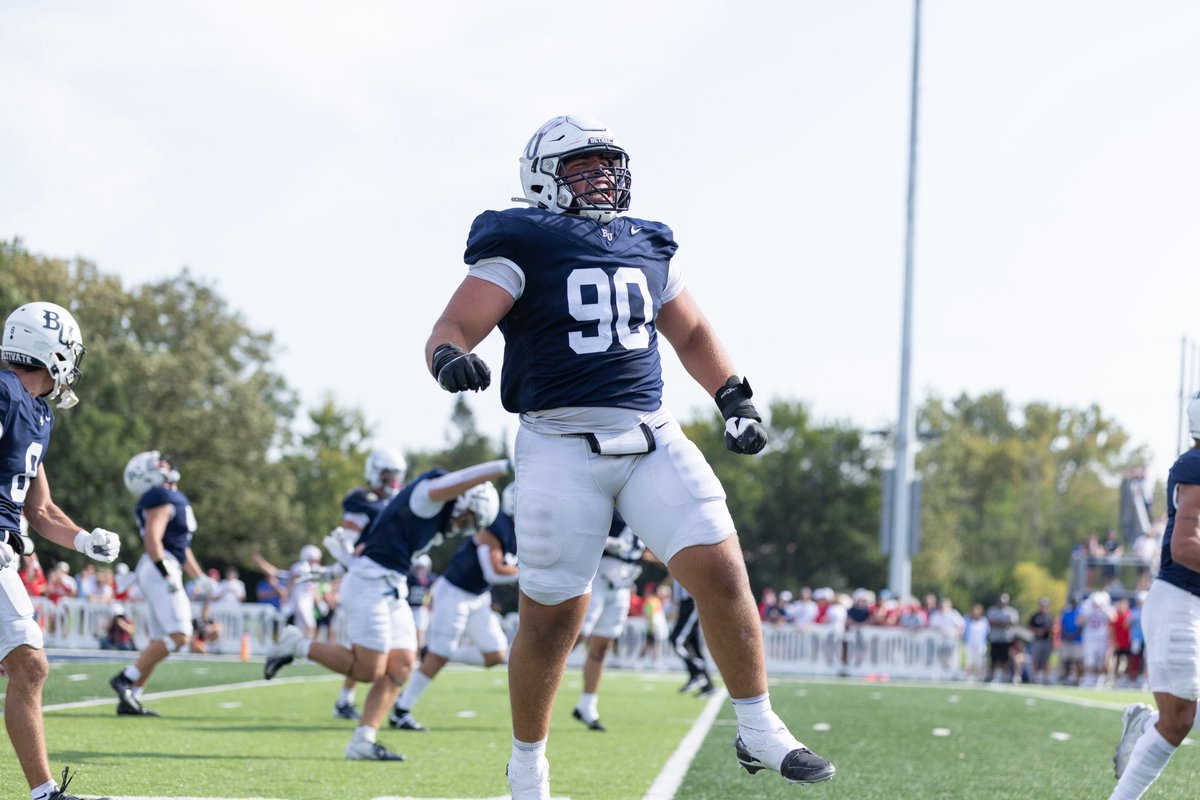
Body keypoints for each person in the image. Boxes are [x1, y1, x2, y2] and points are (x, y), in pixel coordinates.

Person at [424, 113, 835, 798]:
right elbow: (456, 322)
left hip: (651, 433)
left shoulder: (647, 241)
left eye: (607, 164)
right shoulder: (520, 237)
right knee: (553, 618)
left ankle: (757, 725)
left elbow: (693, 328)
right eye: (583, 167)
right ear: (543, 178)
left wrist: (735, 399)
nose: (602, 178)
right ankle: (527, 767)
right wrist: (448, 357)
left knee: (722, 569)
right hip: (558, 443)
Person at [263, 459, 508, 762]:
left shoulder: (433, 519)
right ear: (464, 500)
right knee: (368, 670)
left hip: (391, 587)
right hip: (370, 584)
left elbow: (370, 545)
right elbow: (452, 484)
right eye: (469, 518)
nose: (465, 526)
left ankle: (363, 740)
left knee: (403, 664)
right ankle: (297, 644)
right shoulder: (426, 496)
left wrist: (333, 570)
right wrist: (503, 466)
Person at [1, 300, 122, 800]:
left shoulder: (38, 412)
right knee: (29, 662)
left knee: (27, 662)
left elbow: (42, 509)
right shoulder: (4, 391)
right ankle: (44, 793)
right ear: (50, 350)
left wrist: (83, 540)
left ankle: (43, 792)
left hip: (5, 549)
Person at [1110, 391, 1200, 798]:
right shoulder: (1196, 465)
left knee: (1177, 717)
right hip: (1181, 602)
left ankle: (1144, 727)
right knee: (1178, 720)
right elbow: (1184, 546)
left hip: (1189, 603)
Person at [388, 483, 519, 731]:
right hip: (454, 592)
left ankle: (436, 652)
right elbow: (493, 572)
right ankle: (401, 709)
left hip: (478, 597)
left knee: (496, 654)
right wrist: (527, 573)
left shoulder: (519, 530)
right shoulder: (496, 525)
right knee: (441, 653)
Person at [109, 450, 216, 717]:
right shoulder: (161, 497)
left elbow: (181, 548)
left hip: (163, 563)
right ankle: (126, 678)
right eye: (158, 465)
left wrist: (200, 577)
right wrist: (165, 572)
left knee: (161, 640)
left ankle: (132, 697)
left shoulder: (167, 496)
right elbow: (153, 540)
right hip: (160, 565)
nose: (165, 466)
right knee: (180, 634)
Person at [321, 447, 406, 721]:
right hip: (364, 583)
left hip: (383, 583)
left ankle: (345, 700)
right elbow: (347, 543)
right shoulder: (363, 500)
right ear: (374, 474)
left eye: (396, 476)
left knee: (375, 654)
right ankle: (343, 699)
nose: (392, 481)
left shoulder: (391, 503)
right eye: (387, 475)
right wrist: (341, 566)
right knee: (365, 652)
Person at [571, 508, 654, 731]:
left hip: (622, 584)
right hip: (597, 577)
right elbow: (579, 531)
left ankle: (587, 706)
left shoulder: (647, 511)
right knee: (577, 635)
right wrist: (607, 542)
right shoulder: (611, 506)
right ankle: (537, 683)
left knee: (603, 645)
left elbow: (639, 549)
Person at [1028, 598, 1055, 685]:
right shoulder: (1035, 616)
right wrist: (1038, 631)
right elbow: (1030, 627)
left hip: (1047, 641)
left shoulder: (1049, 617)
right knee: (1035, 659)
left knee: (1046, 660)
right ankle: (1034, 677)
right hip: (1037, 640)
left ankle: (1046, 678)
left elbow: (1053, 629)